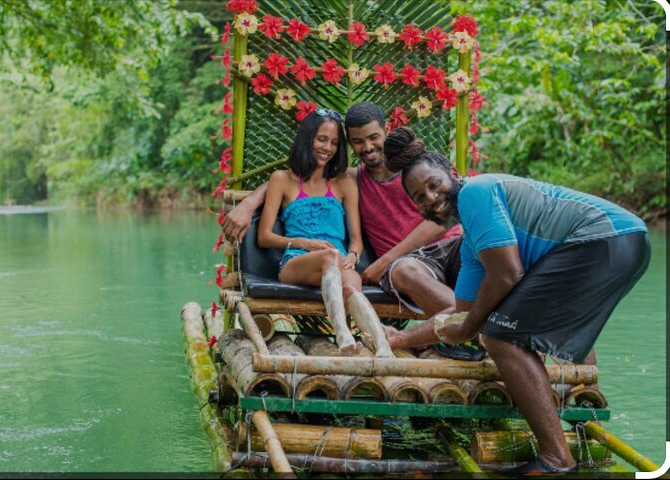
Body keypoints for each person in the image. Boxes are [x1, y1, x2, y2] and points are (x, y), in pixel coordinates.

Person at [382, 126, 650, 474]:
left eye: (433, 185)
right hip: (624, 243)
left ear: (453, 173)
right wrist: (404, 338)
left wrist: (470, 328)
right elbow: (458, 312)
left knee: (498, 336)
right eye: (419, 197)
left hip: (606, 240)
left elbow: (508, 275)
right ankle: (577, 432)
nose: (430, 198)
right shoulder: (473, 244)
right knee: (502, 330)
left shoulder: (477, 192)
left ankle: (556, 458)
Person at [222, 102, 462, 323]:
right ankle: (467, 328)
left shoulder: (415, 170)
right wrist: (249, 202)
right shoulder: (351, 179)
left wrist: (382, 261)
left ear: (386, 131)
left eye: (374, 137)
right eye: (358, 142)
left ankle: (474, 330)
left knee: (483, 251)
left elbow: (446, 217)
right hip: (410, 266)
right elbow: (298, 178)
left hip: (450, 247)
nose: (367, 147)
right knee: (405, 271)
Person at [257, 108, 393, 357]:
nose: (327, 148)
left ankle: (384, 348)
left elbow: (355, 241)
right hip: (297, 262)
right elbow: (264, 237)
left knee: (352, 285)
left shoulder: (344, 184)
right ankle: (343, 335)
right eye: (321, 139)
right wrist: (306, 243)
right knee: (330, 256)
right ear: (307, 138)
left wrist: (353, 256)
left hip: (338, 263)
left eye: (334, 143)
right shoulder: (282, 179)